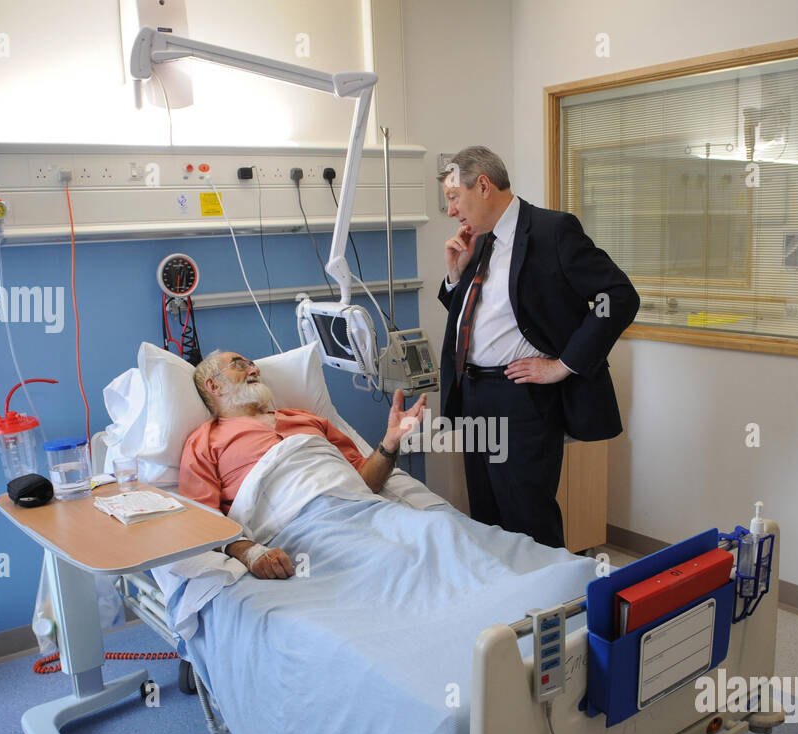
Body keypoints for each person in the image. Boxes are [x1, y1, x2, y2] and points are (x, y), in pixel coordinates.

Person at [437, 146, 639, 549]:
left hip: (521, 399)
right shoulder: (479, 242)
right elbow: (484, 313)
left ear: (483, 185)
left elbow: (618, 296)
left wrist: (564, 364)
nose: (451, 211)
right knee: (487, 516)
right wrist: (454, 277)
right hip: (474, 393)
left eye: (454, 197)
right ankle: (506, 608)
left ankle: (548, 609)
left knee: (527, 517)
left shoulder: (552, 231)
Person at [178, 349, 426, 578]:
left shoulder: (305, 418)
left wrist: (389, 443)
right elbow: (204, 519)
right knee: (389, 563)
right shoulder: (204, 441)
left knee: (438, 531)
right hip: (300, 528)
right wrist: (249, 552)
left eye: (253, 365)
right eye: (240, 365)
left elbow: (366, 482)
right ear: (214, 385)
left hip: (364, 509)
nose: (254, 370)